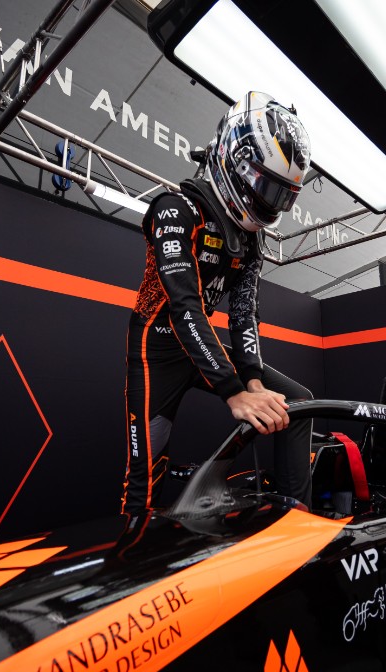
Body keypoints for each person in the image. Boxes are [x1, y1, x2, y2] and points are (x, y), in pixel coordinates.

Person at [121, 91, 314, 514]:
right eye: (266, 187)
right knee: (144, 479)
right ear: (235, 161)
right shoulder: (175, 210)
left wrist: (254, 380)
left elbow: (244, 313)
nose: (271, 202)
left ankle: (291, 521)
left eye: (283, 195)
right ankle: (132, 563)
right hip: (156, 350)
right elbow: (183, 306)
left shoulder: (250, 238)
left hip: (201, 345)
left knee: (297, 403)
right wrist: (234, 392)